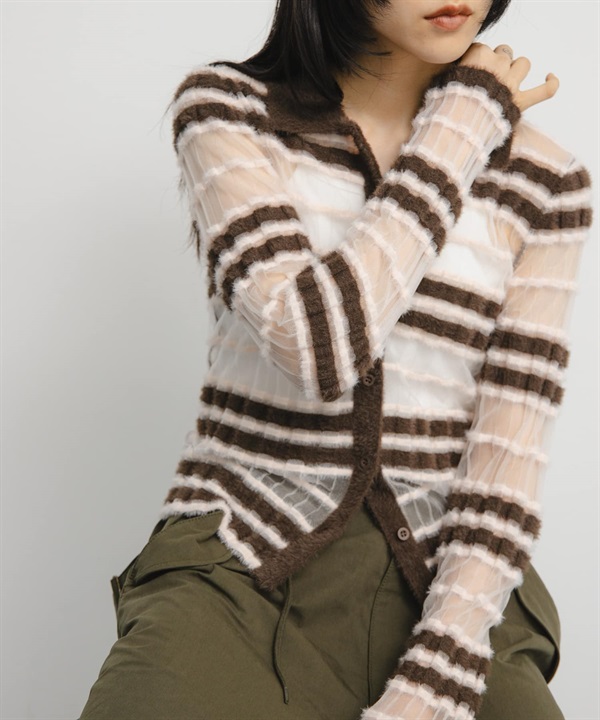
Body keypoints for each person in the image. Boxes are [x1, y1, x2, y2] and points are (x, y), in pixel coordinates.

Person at [79, 1, 593, 718]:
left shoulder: (545, 178)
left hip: (449, 584)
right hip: (244, 555)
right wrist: (461, 126)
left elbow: (506, 458)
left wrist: (437, 678)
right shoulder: (231, 113)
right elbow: (318, 350)